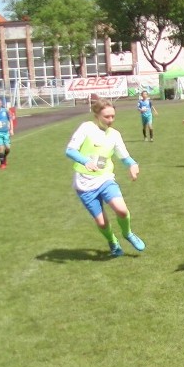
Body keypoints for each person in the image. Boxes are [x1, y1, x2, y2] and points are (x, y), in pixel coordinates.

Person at [64, 97, 146, 258]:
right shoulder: (86, 128)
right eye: (107, 117)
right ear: (97, 115)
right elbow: (70, 150)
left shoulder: (114, 135)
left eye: (113, 116)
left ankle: (128, 233)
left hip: (105, 179)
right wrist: (85, 161)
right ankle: (113, 242)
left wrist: (133, 165)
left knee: (122, 210)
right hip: (84, 183)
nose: (110, 120)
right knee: (102, 222)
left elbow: (124, 157)